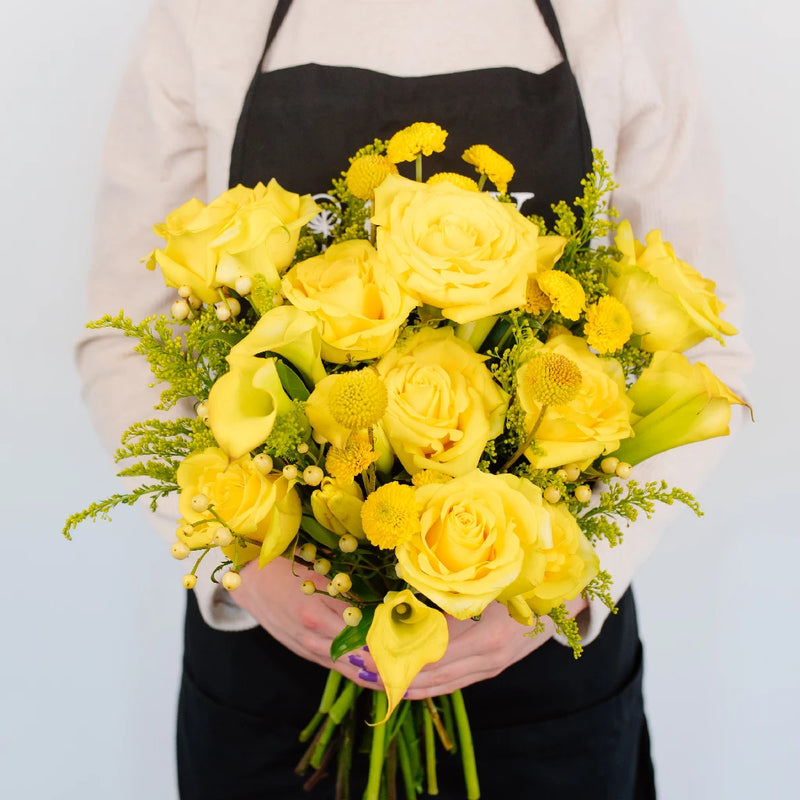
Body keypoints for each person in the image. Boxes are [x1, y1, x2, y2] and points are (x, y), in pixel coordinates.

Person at [77, 1, 751, 797]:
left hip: (537, 669)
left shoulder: (618, 15)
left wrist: (566, 583)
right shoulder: (210, 14)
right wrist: (240, 564)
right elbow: (122, 331)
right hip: (279, 651)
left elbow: (711, 348)